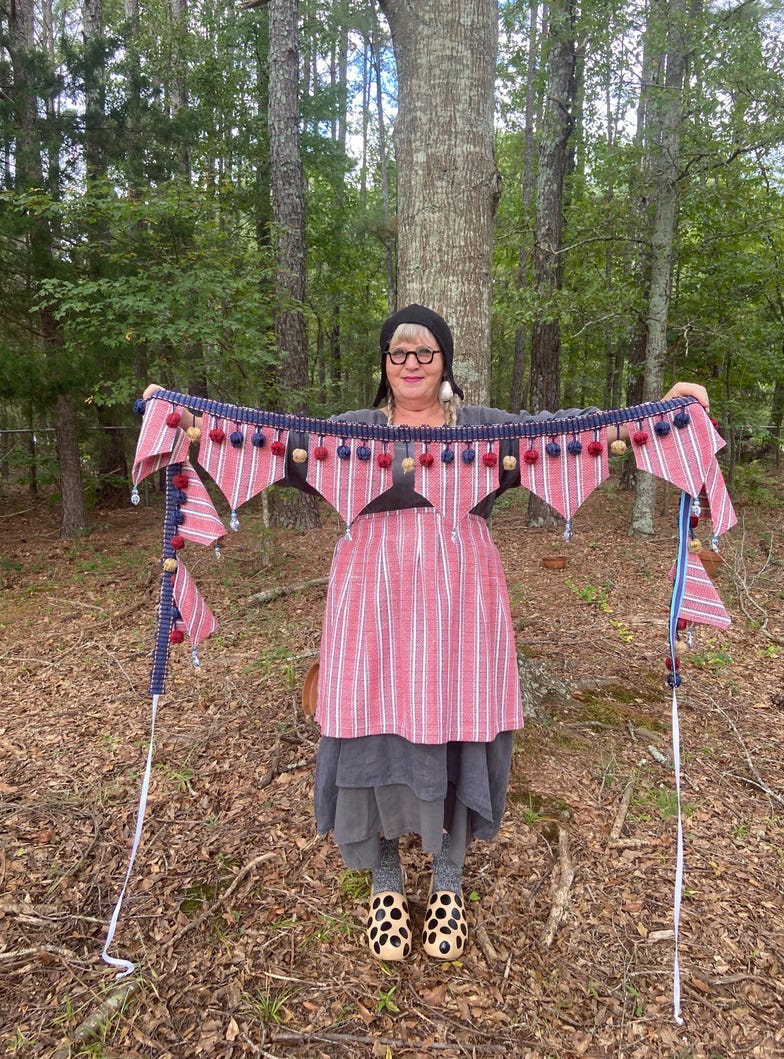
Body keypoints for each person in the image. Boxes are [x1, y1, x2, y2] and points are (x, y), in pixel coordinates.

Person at [144, 304, 709, 963]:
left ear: (444, 361)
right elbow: (265, 436)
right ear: (385, 365)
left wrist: (659, 412)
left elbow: (570, 430)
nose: (410, 363)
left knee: (456, 726)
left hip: (460, 595)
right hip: (370, 597)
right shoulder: (351, 431)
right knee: (370, 729)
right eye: (397, 353)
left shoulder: (483, 429)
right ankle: (385, 883)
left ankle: (447, 883)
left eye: (424, 352)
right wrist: (187, 415)